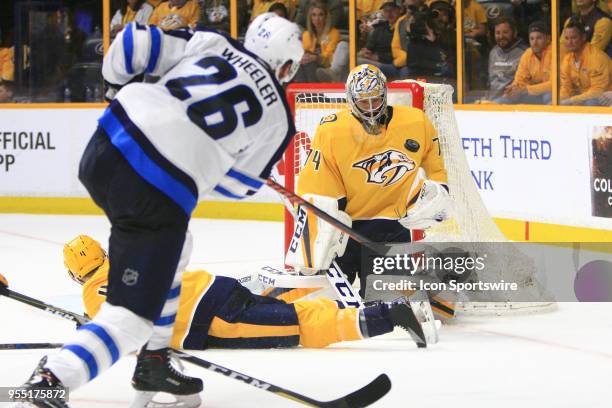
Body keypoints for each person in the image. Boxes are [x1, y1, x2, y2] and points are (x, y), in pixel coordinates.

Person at [14, 13, 304, 408]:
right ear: (287, 65)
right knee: (129, 320)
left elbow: (131, 45)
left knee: (178, 244)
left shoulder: (212, 41)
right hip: (153, 195)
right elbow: (238, 188)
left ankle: (155, 359)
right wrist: (218, 159)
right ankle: (54, 377)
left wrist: (116, 88)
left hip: (103, 148)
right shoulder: (278, 120)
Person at [62, 234, 425, 350]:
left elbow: (125, 330)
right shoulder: (128, 260)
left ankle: (390, 314)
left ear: (77, 275)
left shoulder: (94, 295)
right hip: (216, 287)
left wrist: (92, 330)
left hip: (215, 320)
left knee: (300, 327)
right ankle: (300, 284)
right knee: (276, 309)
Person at [286, 64, 451, 300]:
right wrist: (313, 234)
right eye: (364, 102)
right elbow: (315, 184)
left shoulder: (416, 121)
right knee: (322, 304)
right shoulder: (332, 130)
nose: (372, 109)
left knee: (384, 307)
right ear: (351, 100)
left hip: (393, 231)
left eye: (376, 100)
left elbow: (436, 168)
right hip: (346, 231)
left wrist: (438, 194)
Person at [497, 21, 551, 104]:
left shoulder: (556, 52)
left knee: (550, 96)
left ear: (548, 39)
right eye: (532, 38)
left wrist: (526, 89)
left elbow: (556, 84)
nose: (535, 42)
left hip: (551, 93)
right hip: (533, 93)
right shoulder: (527, 54)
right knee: (505, 99)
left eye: (539, 38)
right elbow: (520, 79)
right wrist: (514, 87)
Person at [561, 18, 612, 105]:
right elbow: (566, 88)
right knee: (551, 98)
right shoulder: (567, 59)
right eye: (566, 38)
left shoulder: (596, 57)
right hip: (584, 96)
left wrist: (570, 101)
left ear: (583, 37)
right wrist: (558, 102)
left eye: (573, 37)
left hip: (606, 96)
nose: (569, 42)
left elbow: (597, 91)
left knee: (590, 103)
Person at [294, 2, 344, 82]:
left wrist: (316, 58)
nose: (317, 19)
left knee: (310, 63)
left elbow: (330, 58)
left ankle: (310, 90)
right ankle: (302, 90)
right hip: (308, 66)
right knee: (298, 64)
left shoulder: (334, 33)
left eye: (320, 15)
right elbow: (303, 53)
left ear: (326, 17)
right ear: (310, 17)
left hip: (325, 69)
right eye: (314, 15)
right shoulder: (306, 34)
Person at [358, 1, 403, 80]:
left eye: (392, 10)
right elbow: (369, 47)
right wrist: (365, 51)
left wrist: (378, 57)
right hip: (375, 60)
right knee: (352, 58)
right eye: (386, 11)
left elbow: (401, 53)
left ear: (399, 10)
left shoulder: (403, 28)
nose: (389, 14)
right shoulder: (379, 28)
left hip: (391, 64)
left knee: (356, 63)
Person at [487, 17, 527, 100]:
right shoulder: (493, 52)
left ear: (514, 33)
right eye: (498, 33)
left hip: (514, 100)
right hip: (492, 100)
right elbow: (491, 81)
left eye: (505, 32)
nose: (501, 36)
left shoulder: (525, 53)